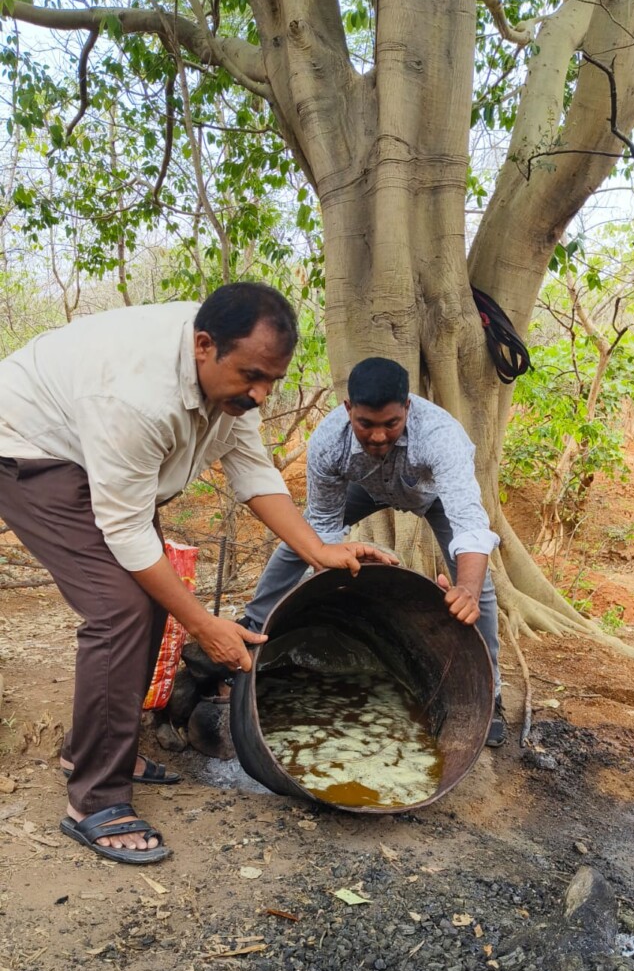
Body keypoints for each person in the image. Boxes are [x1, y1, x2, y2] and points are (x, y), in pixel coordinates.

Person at [0, 284, 395, 864]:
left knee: (150, 598)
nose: (261, 394)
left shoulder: (228, 381)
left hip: (94, 454)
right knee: (119, 609)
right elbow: (128, 534)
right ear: (204, 346)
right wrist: (205, 625)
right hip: (29, 447)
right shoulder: (135, 397)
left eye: (273, 382)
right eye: (252, 377)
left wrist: (321, 551)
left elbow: (254, 472)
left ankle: (92, 748)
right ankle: (95, 799)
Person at [243, 356, 507, 747]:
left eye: (391, 424)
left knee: (477, 588)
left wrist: (465, 587)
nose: (379, 436)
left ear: (407, 409)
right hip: (363, 488)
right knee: (298, 541)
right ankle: (250, 633)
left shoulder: (440, 436)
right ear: (349, 409)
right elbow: (324, 526)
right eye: (366, 424)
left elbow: (469, 523)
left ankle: (492, 694)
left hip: (429, 494)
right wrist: (334, 582)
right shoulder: (328, 443)